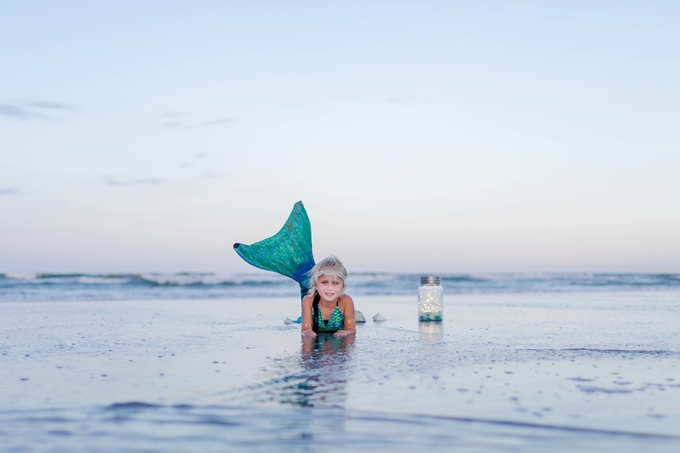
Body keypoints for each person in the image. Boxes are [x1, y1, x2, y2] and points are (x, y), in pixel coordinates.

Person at [301, 256, 356, 338]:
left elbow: (351, 329)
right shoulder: (308, 301)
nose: (329, 288)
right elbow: (305, 329)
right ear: (316, 284)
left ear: (343, 286)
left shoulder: (346, 301)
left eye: (335, 283)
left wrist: (346, 332)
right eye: (324, 282)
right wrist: (308, 333)